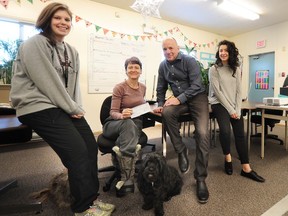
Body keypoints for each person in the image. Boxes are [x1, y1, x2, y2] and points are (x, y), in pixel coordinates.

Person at [10, 3, 115, 216]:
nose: (63, 23)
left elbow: (72, 86)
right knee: (76, 152)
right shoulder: (35, 44)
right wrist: (69, 106)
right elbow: (47, 82)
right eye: (57, 18)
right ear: (47, 19)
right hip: (36, 105)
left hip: (62, 105)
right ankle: (82, 208)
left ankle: (91, 199)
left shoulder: (71, 51)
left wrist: (76, 109)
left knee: (89, 147)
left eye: (67, 19)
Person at [154, 37, 210, 204]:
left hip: (197, 98)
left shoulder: (189, 61)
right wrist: (160, 104)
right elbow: (161, 88)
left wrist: (179, 99)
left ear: (177, 48)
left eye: (170, 48)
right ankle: (181, 150)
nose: (168, 52)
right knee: (167, 112)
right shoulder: (163, 65)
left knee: (202, 133)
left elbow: (197, 85)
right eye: (164, 49)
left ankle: (200, 179)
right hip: (180, 99)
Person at [209, 40, 265, 182]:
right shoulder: (214, 69)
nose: (222, 53)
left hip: (234, 105)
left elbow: (239, 91)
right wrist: (230, 110)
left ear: (231, 52)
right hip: (219, 103)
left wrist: (237, 110)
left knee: (240, 134)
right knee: (226, 131)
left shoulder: (236, 69)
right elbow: (218, 92)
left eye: (225, 50)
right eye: (220, 50)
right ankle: (227, 158)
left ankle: (246, 168)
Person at [102, 56, 145, 197]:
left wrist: (151, 109)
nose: (133, 70)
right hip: (114, 124)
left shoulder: (143, 87)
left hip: (133, 124)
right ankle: (127, 178)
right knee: (128, 124)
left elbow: (141, 107)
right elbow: (112, 112)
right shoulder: (120, 87)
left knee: (133, 126)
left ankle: (122, 169)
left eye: (136, 67)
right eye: (130, 67)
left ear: (141, 71)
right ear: (126, 71)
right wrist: (122, 115)